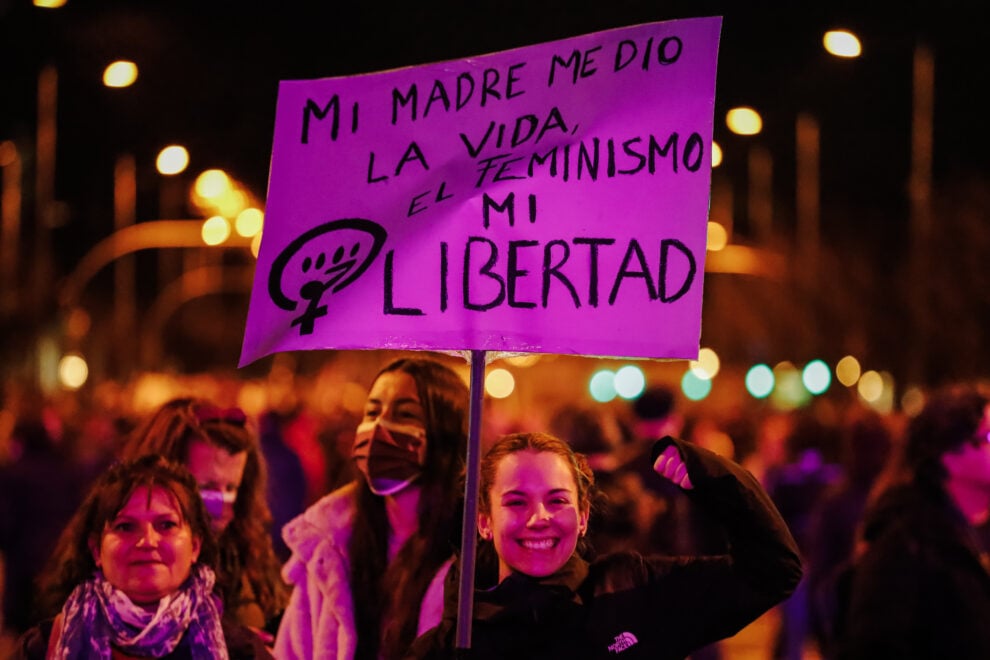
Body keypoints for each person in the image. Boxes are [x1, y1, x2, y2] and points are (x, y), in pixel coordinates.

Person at [408, 431, 803, 659]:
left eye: (558, 500)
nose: (539, 517)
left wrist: (716, 479)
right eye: (515, 502)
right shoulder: (450, 644)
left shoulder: (634, 591)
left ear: (582, 518)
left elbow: (773, 571)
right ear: (484, 522)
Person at [274, 356, 470, 659]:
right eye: (373, 411)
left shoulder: (473, 555)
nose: (379, 427)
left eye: (405, 415)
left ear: (445, 435)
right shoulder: (329, 546)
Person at [13, 454, 271, 659]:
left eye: (166, 525)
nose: (147, 541)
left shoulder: (240, 651)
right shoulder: (45, 646)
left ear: (194, 547)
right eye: (125, 526)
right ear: (96, 550)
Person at [836, 383, 990, 659]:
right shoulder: (905, 538)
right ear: (949, 454)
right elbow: (873, 645)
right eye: (988, 438)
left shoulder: (963, 532)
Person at [120, 398, 288, 633]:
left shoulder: (247, 554)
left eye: (231, 488)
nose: (222, 508)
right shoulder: (129, 565)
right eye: (206, 488)